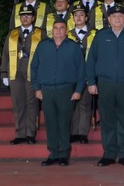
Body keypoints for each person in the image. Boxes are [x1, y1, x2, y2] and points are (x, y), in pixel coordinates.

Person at [86, 4, 124, 167]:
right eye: (114, 16)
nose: (118, 19)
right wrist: (91, 82)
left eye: (121, 16)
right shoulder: (100, 36)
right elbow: (91, 60)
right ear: (109, 19)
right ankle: (108, 153)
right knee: (107, 119)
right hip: (105, 83)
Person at [31, 18, 84, 166]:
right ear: (52, 30)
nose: (58, 31)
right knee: (50, 122)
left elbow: (81, 70)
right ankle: (53, 153)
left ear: (66, 31)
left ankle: (64, 154)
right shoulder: (43, 46)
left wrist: (78, 90)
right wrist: (37, 88)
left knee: (64, 122)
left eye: (61, 28)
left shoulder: (73, 47)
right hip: (46, 90)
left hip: (66, 90)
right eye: (56, 28)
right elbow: (34, 67)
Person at [1, 4, 43, 145]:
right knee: (18, 103)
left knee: (32, 103)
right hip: (15, 73)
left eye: (28, 15)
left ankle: (30, 133)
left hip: (33, 74)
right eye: (22, 15)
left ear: (33, 17)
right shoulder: (12, 34)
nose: (25, 18)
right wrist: (4, 73)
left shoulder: (40, 33)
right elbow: (5, 55)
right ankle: (20, 133)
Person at [67, 4, 94, 144]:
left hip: (88, 73)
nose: (78, 17)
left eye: (81, 15)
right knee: (72, 104)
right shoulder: (67, 34)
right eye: (76, 15)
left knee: (85, 103)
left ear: (86, 17)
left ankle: (83, 132)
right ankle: (73, 132)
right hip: (71, 74)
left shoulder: (94, 34)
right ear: (72, 18)